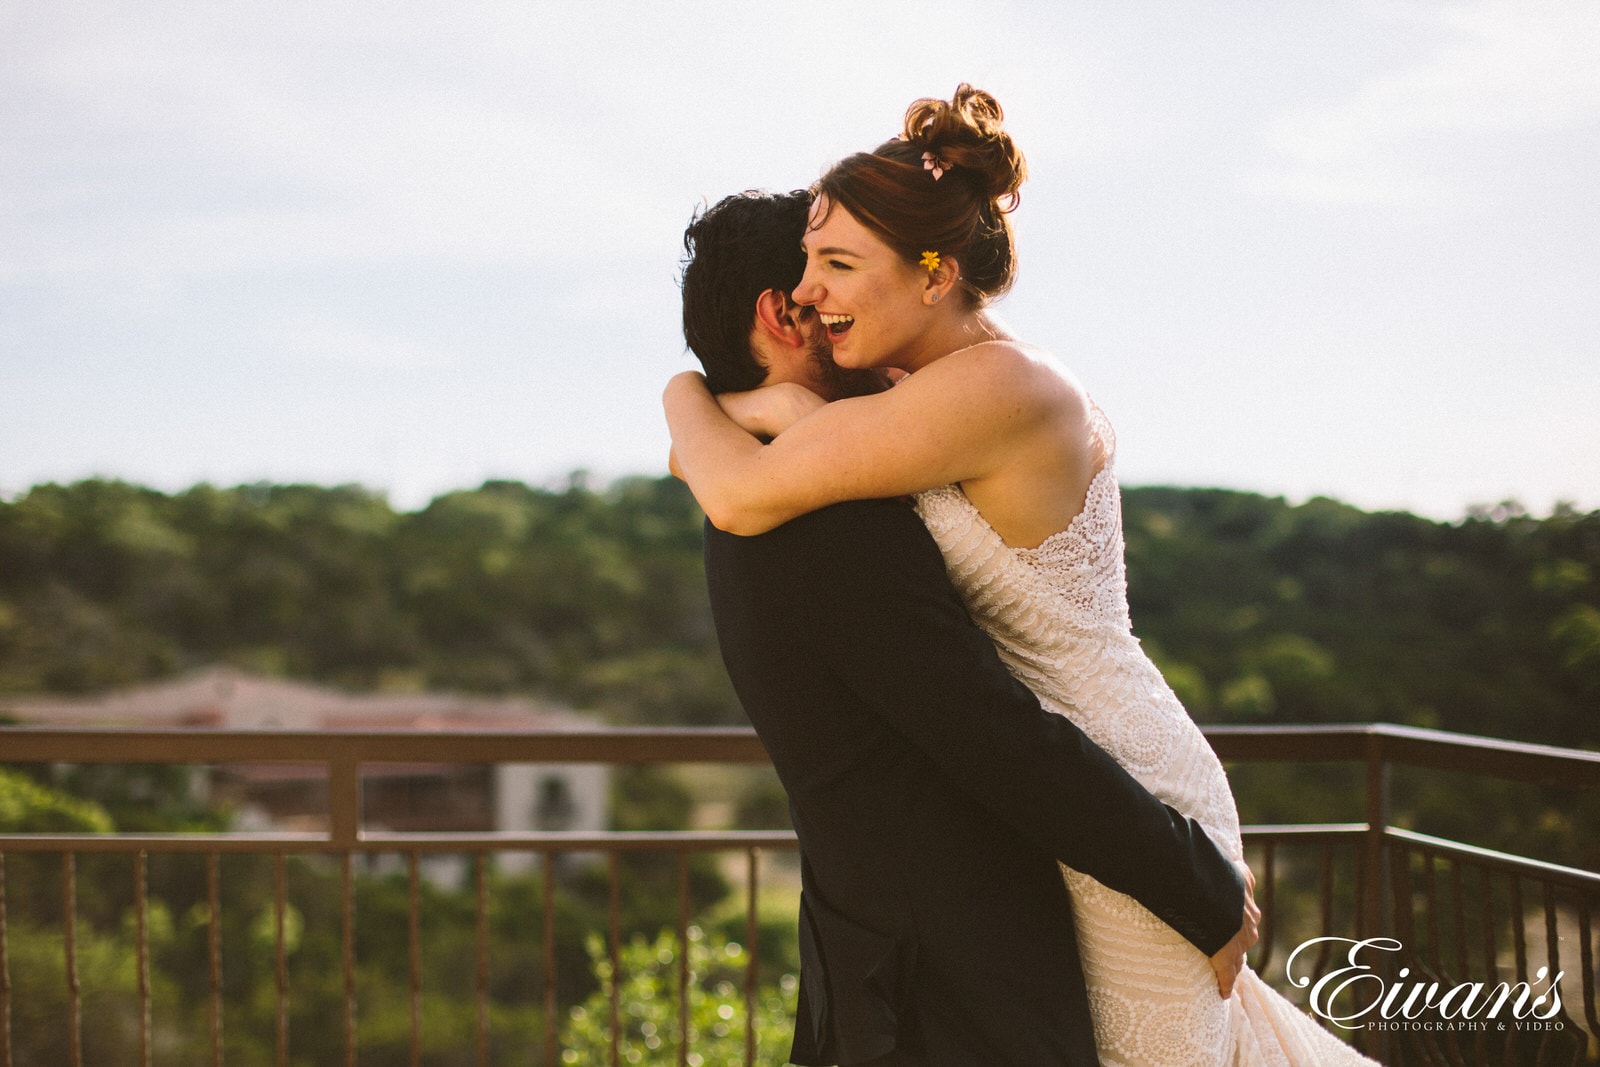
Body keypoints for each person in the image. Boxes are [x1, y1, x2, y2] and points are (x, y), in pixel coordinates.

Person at [665, 90, 1376, 1065]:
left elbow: (733, 490)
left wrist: (698, 399)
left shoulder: (985, 390)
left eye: (838, 264)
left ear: (933, 273)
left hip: (1120, 779)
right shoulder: (866, 440)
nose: (823, 297)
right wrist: (721, 402)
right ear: (777, 312)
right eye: (811, 274)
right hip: (1052, 824)